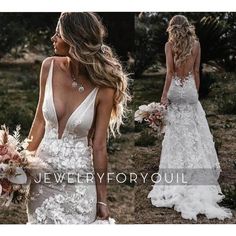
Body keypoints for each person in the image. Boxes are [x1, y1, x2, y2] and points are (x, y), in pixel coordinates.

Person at [26, 12, 130, 224]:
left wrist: (102, 200)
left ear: (75, 39)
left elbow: (99, 146)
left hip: (79, 185)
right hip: (42, 181)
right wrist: (19, 164)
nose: (52, 38)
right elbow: (39, 122)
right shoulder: (49, 66)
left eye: (58, 34)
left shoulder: (104, 87)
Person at [148, 15, 232, 221]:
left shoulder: (169, 45)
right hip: (190, 90)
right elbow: (196, 71)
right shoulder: (196, 44)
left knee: (176, 132)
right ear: (188, 28)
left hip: (175, 89)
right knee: (194, 129)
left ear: (172, 29)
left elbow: (169, 73)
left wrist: (163, 97)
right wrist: (195, 92)